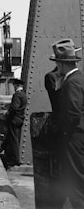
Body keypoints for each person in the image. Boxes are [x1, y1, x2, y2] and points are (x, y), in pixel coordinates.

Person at [50, 38, 84, 208]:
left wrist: (61, 136)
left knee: (76, 186)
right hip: (78, 139)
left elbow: (71, 115)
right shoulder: (79, 79)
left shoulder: (72, 83)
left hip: (73, 140)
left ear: (62, 64)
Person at [2, 78, 27, 167]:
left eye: (14, 85)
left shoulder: (17, 95)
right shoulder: (23, 95)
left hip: (14, 120)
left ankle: (15, 160)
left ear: (16, 86)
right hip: (20, 119)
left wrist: (8, 113)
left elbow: (14, 108)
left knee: (14, 140)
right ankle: (10, 156)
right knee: (14, 138)